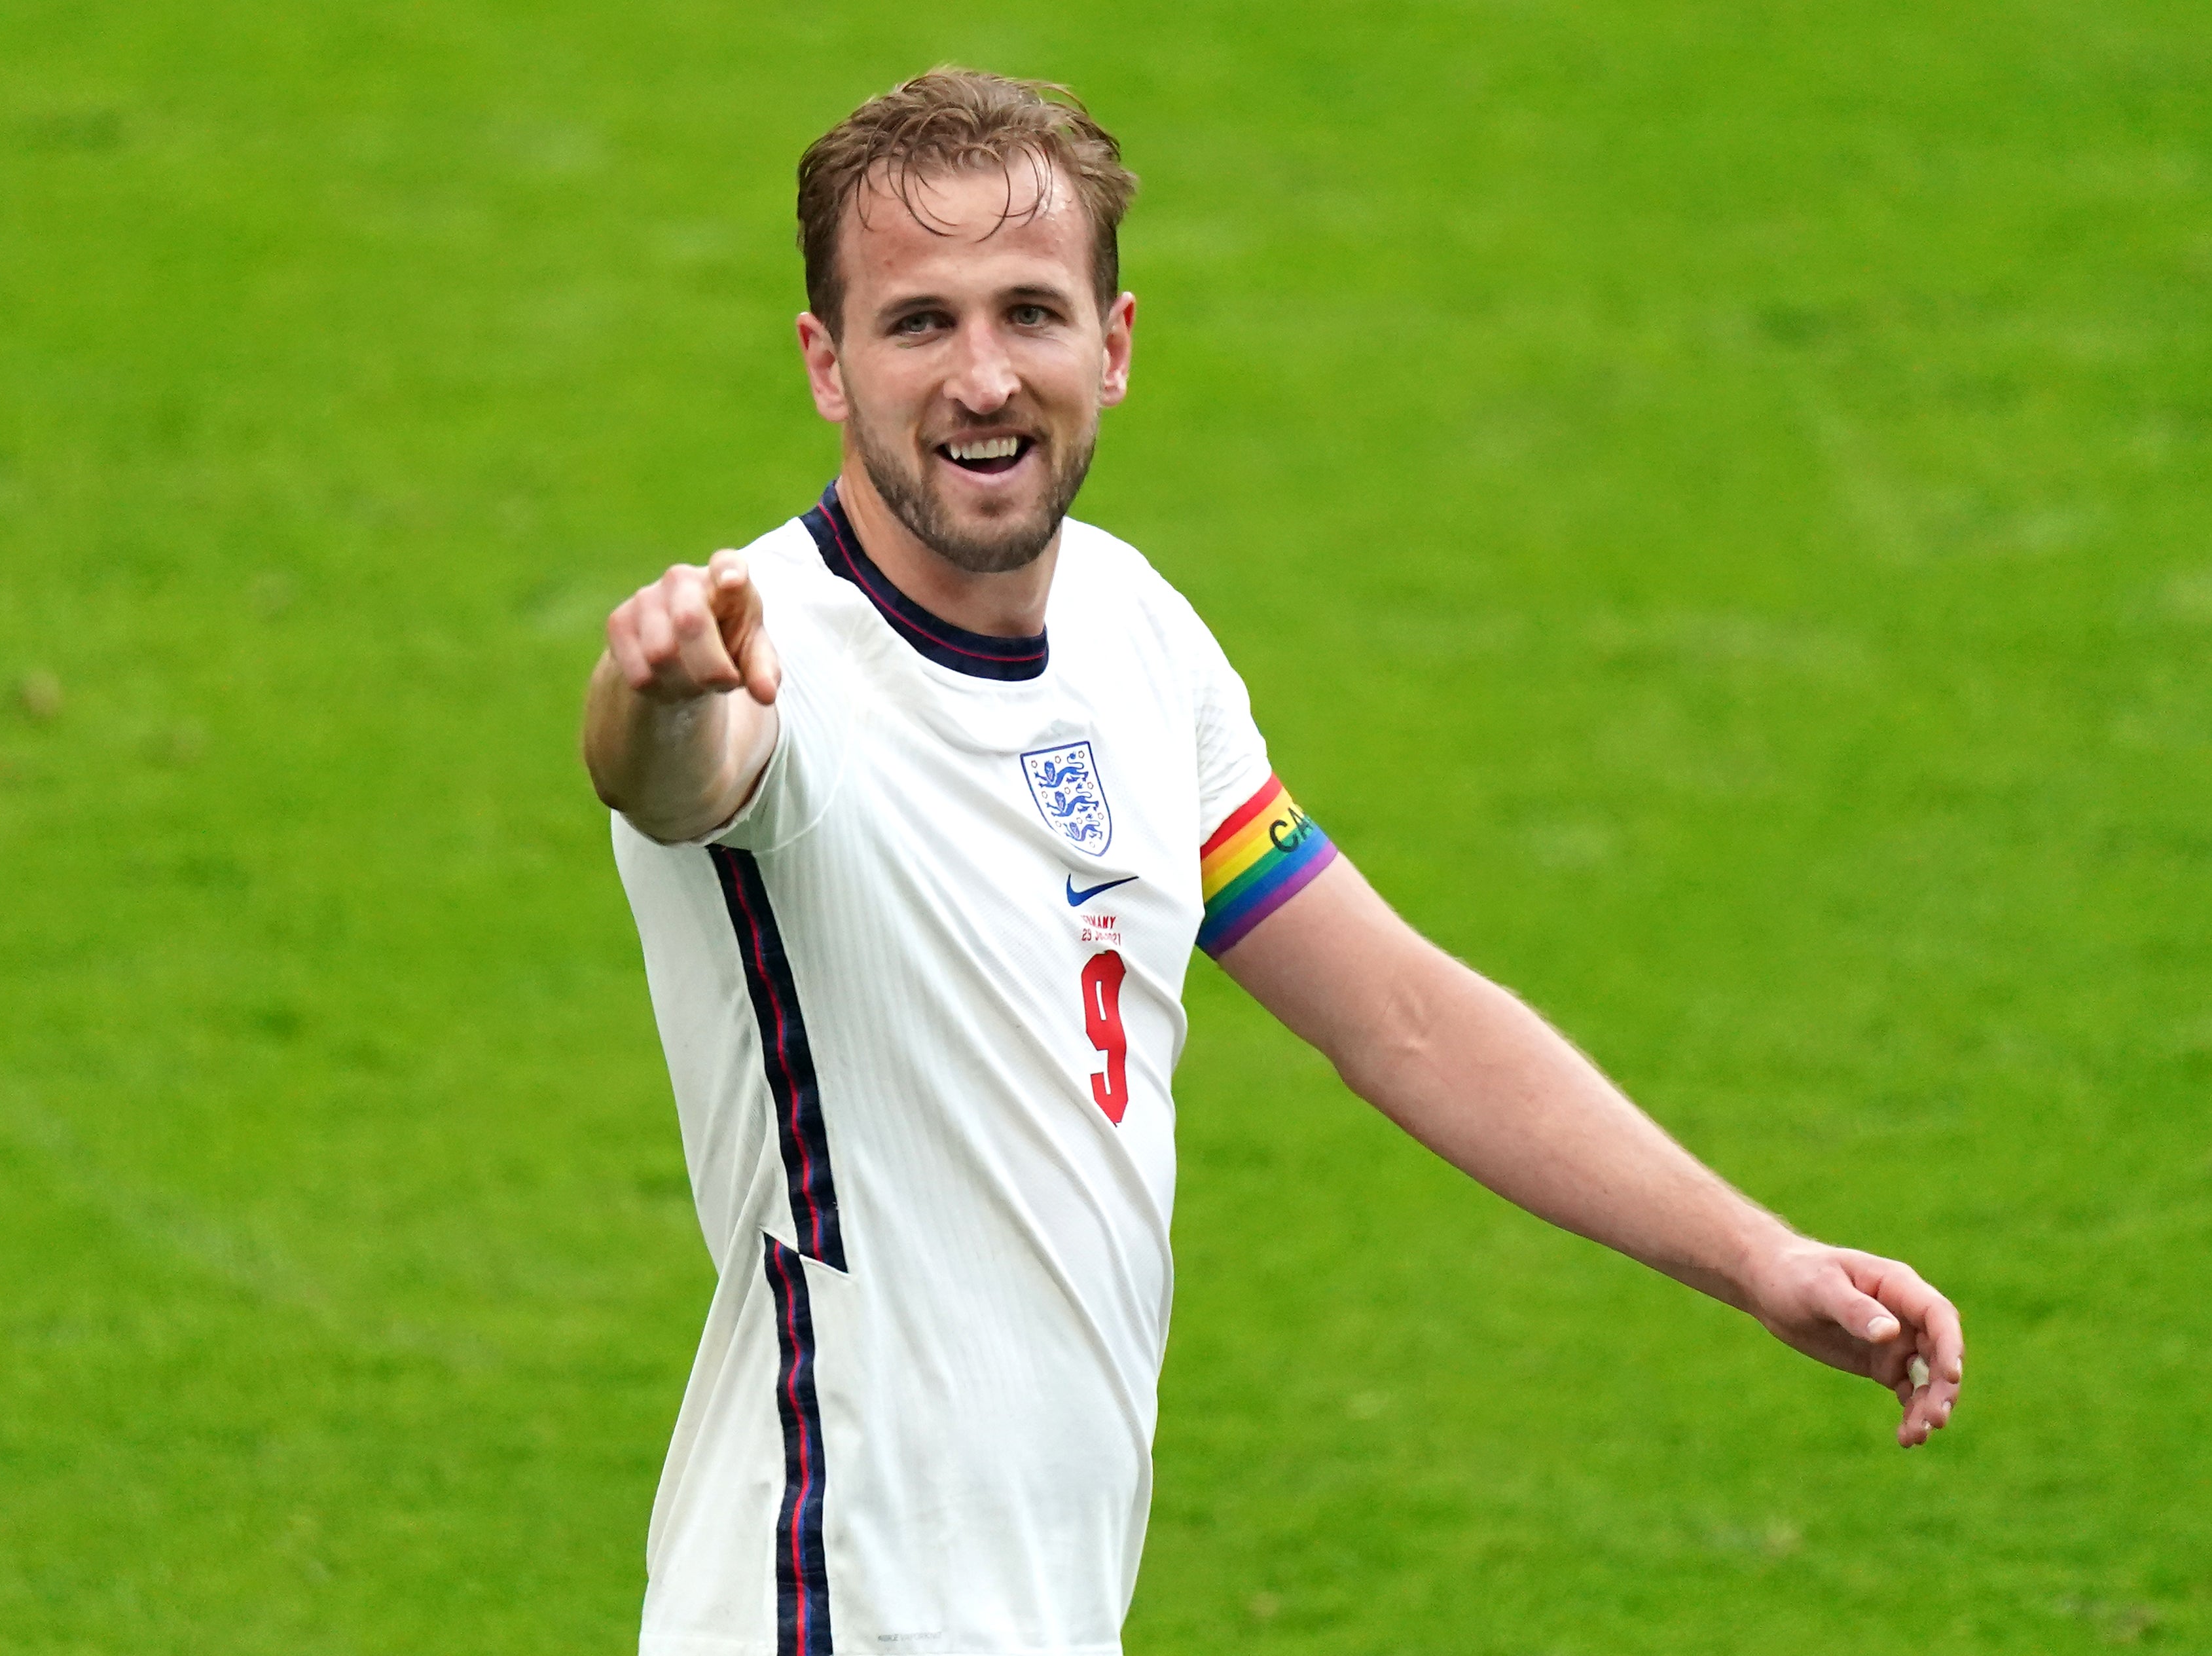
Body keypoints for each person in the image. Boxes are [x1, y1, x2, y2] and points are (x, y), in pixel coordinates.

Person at [583, 67, 1963, 1656]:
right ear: (827, 364)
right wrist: (655, 686)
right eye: (918, 323)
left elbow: (1399, 1013)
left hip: (1042, 1605)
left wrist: (1757, 1255)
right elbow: (676, 778)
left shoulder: (1130, 632)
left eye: (1029, 313)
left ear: (1113, 346)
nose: (981, 378)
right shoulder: (770, 650)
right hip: (831, 1600)